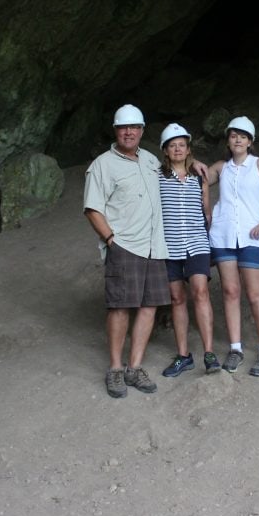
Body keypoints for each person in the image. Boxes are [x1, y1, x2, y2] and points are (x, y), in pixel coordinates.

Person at [83, 104, 170, 398]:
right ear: (116, 131)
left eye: (134, 127)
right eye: (123, 127)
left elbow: (175, 175)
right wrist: (111, 240)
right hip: (125, 245)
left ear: (142, 130)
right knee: (119, 307)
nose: (129, 132)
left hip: (155, 246)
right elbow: (93, 208)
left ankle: (135, 367)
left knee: (149, 306)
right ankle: (116, 369)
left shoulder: (150, 160)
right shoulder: (103, 165)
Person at [204, 116, 259, 377]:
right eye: (233, 135)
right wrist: (207, 210)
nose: (238, 139)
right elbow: (197, 179)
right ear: (228, 140)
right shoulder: (221, 167)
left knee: (255, 294)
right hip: (223, 236)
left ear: (250, 141)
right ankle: (235, 348)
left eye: (243, 136)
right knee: (231, 291)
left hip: (252, 237)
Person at [156, 123, 221, 377]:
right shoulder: (157, 176)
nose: (178, 149)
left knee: (201, 292)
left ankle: (209, 353)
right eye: (172, 145)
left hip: (196, 243)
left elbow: (206, 212)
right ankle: (183, 356)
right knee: (177, 299)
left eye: (182, 144)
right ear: (165, 150)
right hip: (169, 246)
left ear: (188, 148)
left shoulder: (199, 176)